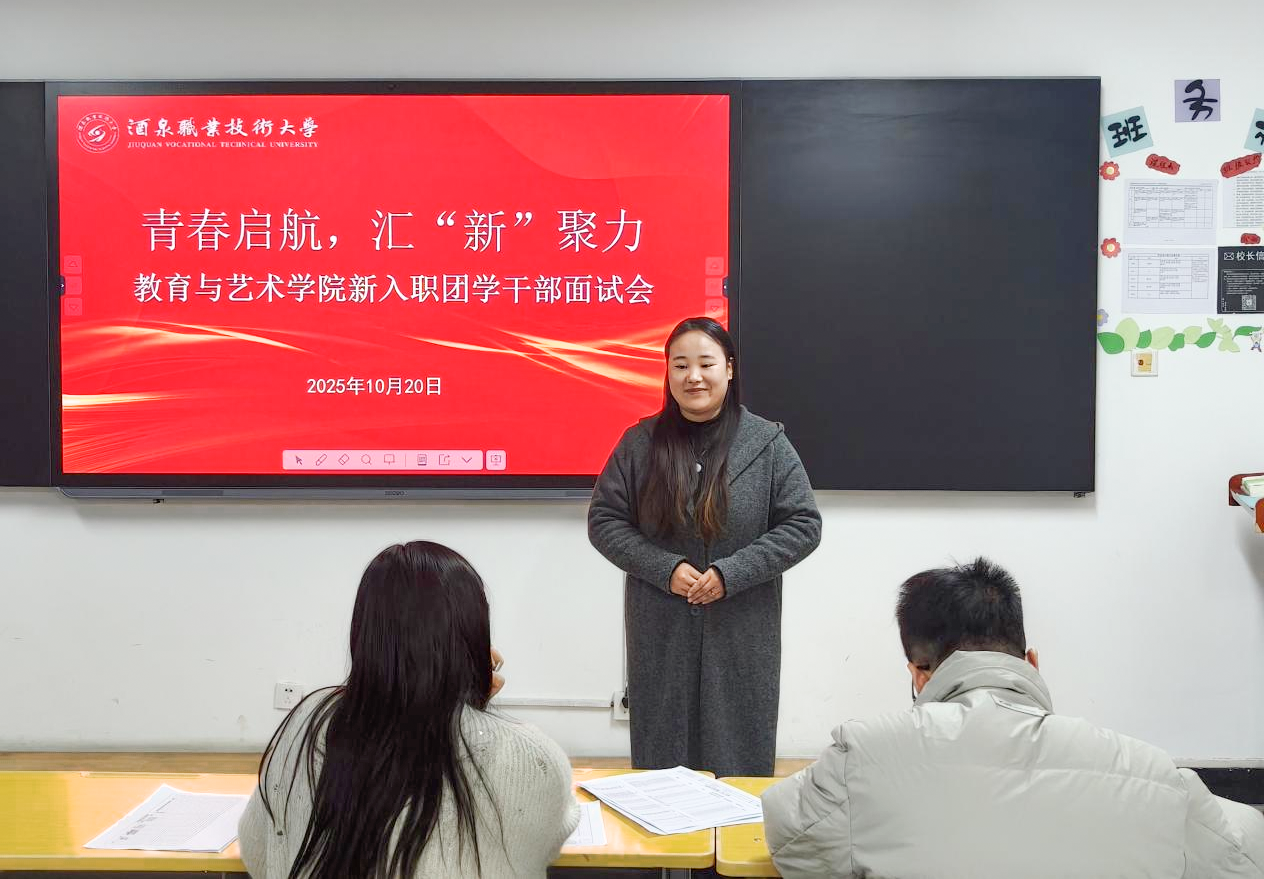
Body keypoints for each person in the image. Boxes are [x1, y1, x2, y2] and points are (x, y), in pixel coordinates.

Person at [761, 558, 1264, 878]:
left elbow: (791, 839)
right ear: (1032, 662)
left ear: (918, 673)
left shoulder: (861, 756)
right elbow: (1243, 856)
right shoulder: (1154, 774)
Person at [238, 541, 579, 879]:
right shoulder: (533, 758)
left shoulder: (306, 723)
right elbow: (545, 845)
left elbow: (259, 854)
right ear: (476, 633)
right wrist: (473, 703)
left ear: (364, 633)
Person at [588, 316, 822, 778]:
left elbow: (803, 524)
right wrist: (664, 569)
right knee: (663, 763)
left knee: (739, 757)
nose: (693, 376)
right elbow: (604, 520)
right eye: (680, 365)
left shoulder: (767, 443)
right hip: (661, 627)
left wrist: (730, 574)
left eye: (706, 364)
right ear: (668, 373)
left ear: (729, 369)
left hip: (742, 626)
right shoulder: (640, 443)